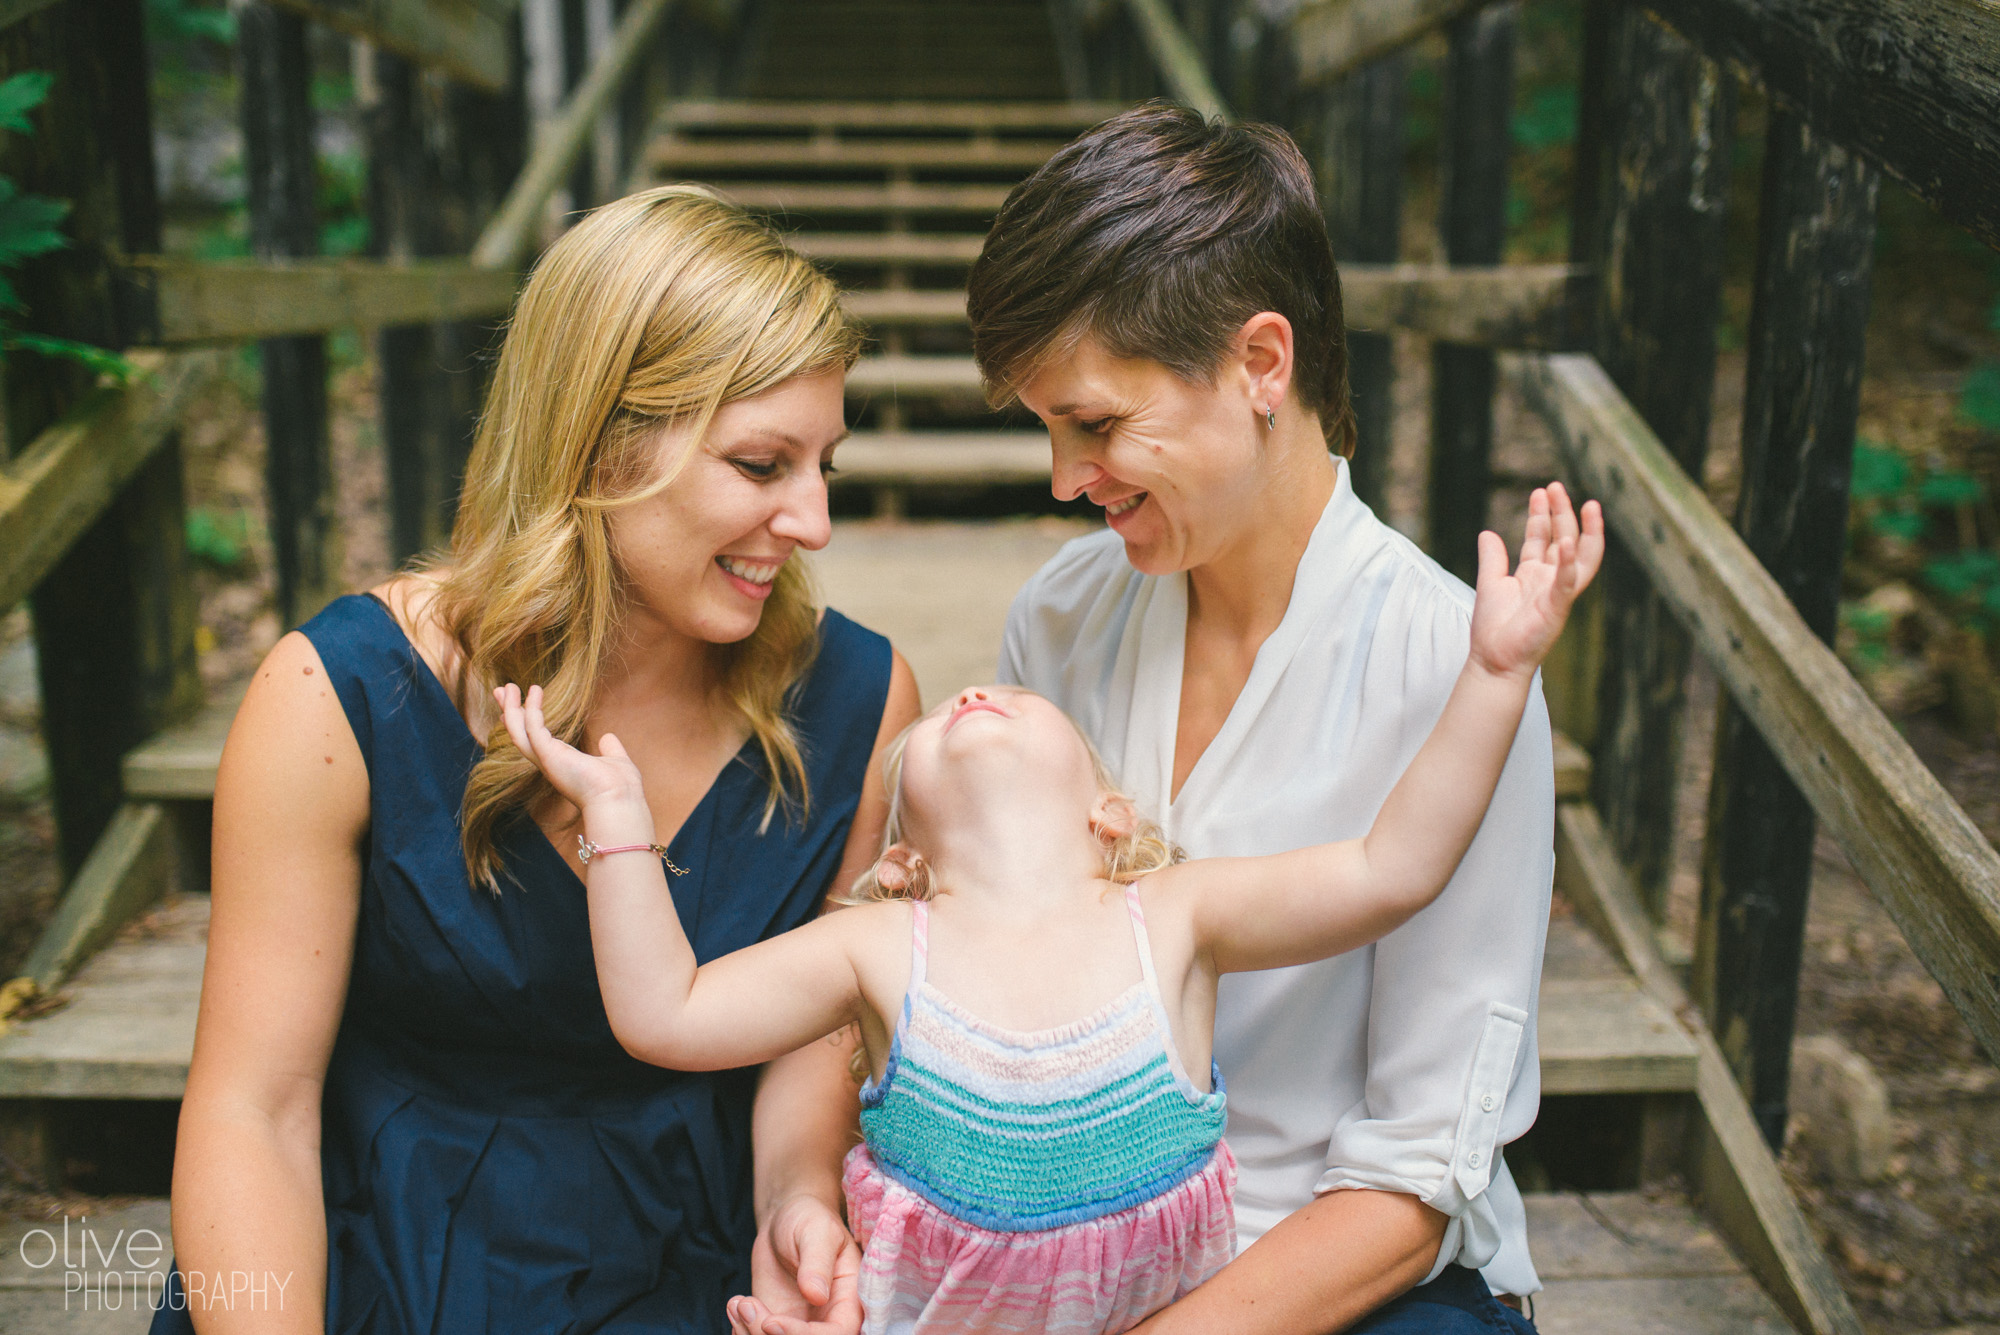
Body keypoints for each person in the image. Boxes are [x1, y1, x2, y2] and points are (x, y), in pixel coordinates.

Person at [492, 483, 1601, 1335]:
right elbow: (667, 1012)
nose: (976, 695)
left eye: (1019, 702)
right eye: (945, 723)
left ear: (1109, 816)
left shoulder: (1173, 914)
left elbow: (1387, 868)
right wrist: (620, 824)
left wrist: (1494, 675)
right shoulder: (878, 946)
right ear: (904, 860)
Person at [153, 186, 919, 1334]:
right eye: (762, 466)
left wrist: (797, 1202)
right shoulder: (336, 697)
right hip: (392, 1258)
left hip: (696, 1264)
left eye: (827, 467)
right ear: (600, 442)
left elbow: (812, 1046)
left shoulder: (855, 703)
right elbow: (254, 1110)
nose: (812, 522)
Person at [973, 103, 1562, 1332]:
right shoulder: (1061, 617)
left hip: (1345, 1268)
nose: (1062, 480)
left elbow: (1414, 1173)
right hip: (1074, 1246)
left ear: (1258, 365)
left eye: (1094, 424)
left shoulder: (1448, 662)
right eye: (1045, 430)